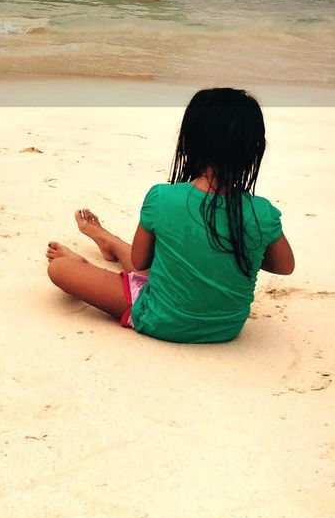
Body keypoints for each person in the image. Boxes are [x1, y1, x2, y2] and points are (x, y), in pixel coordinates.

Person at [45, 87, 294, 342]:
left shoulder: (162, 198)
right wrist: (235, 247)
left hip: (159, 317)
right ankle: (109, 242)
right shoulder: (262, 213)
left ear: (187, 142)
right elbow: (285, 267)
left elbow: (141, 262)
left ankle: (90, 260)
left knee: (59, 268)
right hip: (226, 328)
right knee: (177, 262)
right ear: (255, 150)